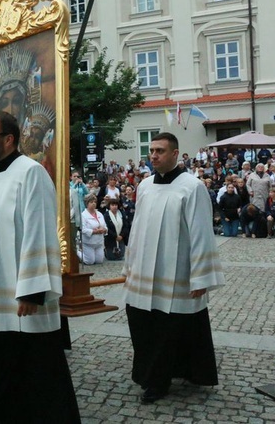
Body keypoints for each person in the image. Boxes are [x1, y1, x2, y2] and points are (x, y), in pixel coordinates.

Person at [0, 111, 80, 423]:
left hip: (19, 301)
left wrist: (33, 290)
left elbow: (39, 232)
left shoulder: (31, 173)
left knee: (30, 375)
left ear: (8, 139)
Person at [122, 132, 225, 404]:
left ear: (175, 154)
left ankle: (158, 382)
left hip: (175, 272)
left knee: (169, 329)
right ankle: (150, 373)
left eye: (160, 151)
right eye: (152, 150)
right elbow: (136, 230)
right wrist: (129, 265)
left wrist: (200, 275)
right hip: (143, 274)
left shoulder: (192, 187)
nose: (153, 155)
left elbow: (201, 232)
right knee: (143, 325)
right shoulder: (144, 186)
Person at [80, 194, 107, 265]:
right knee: (90, 262)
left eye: (95, 202)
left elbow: (105, 226)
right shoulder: (83, 215)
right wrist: (94, 231)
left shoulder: (100, 214)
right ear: (87, 203)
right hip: (88, 243)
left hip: (99, 242)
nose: (93, 203)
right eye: (91, 202)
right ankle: (78, 253)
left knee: (99, 261)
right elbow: (83, 229)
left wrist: (104, 230)